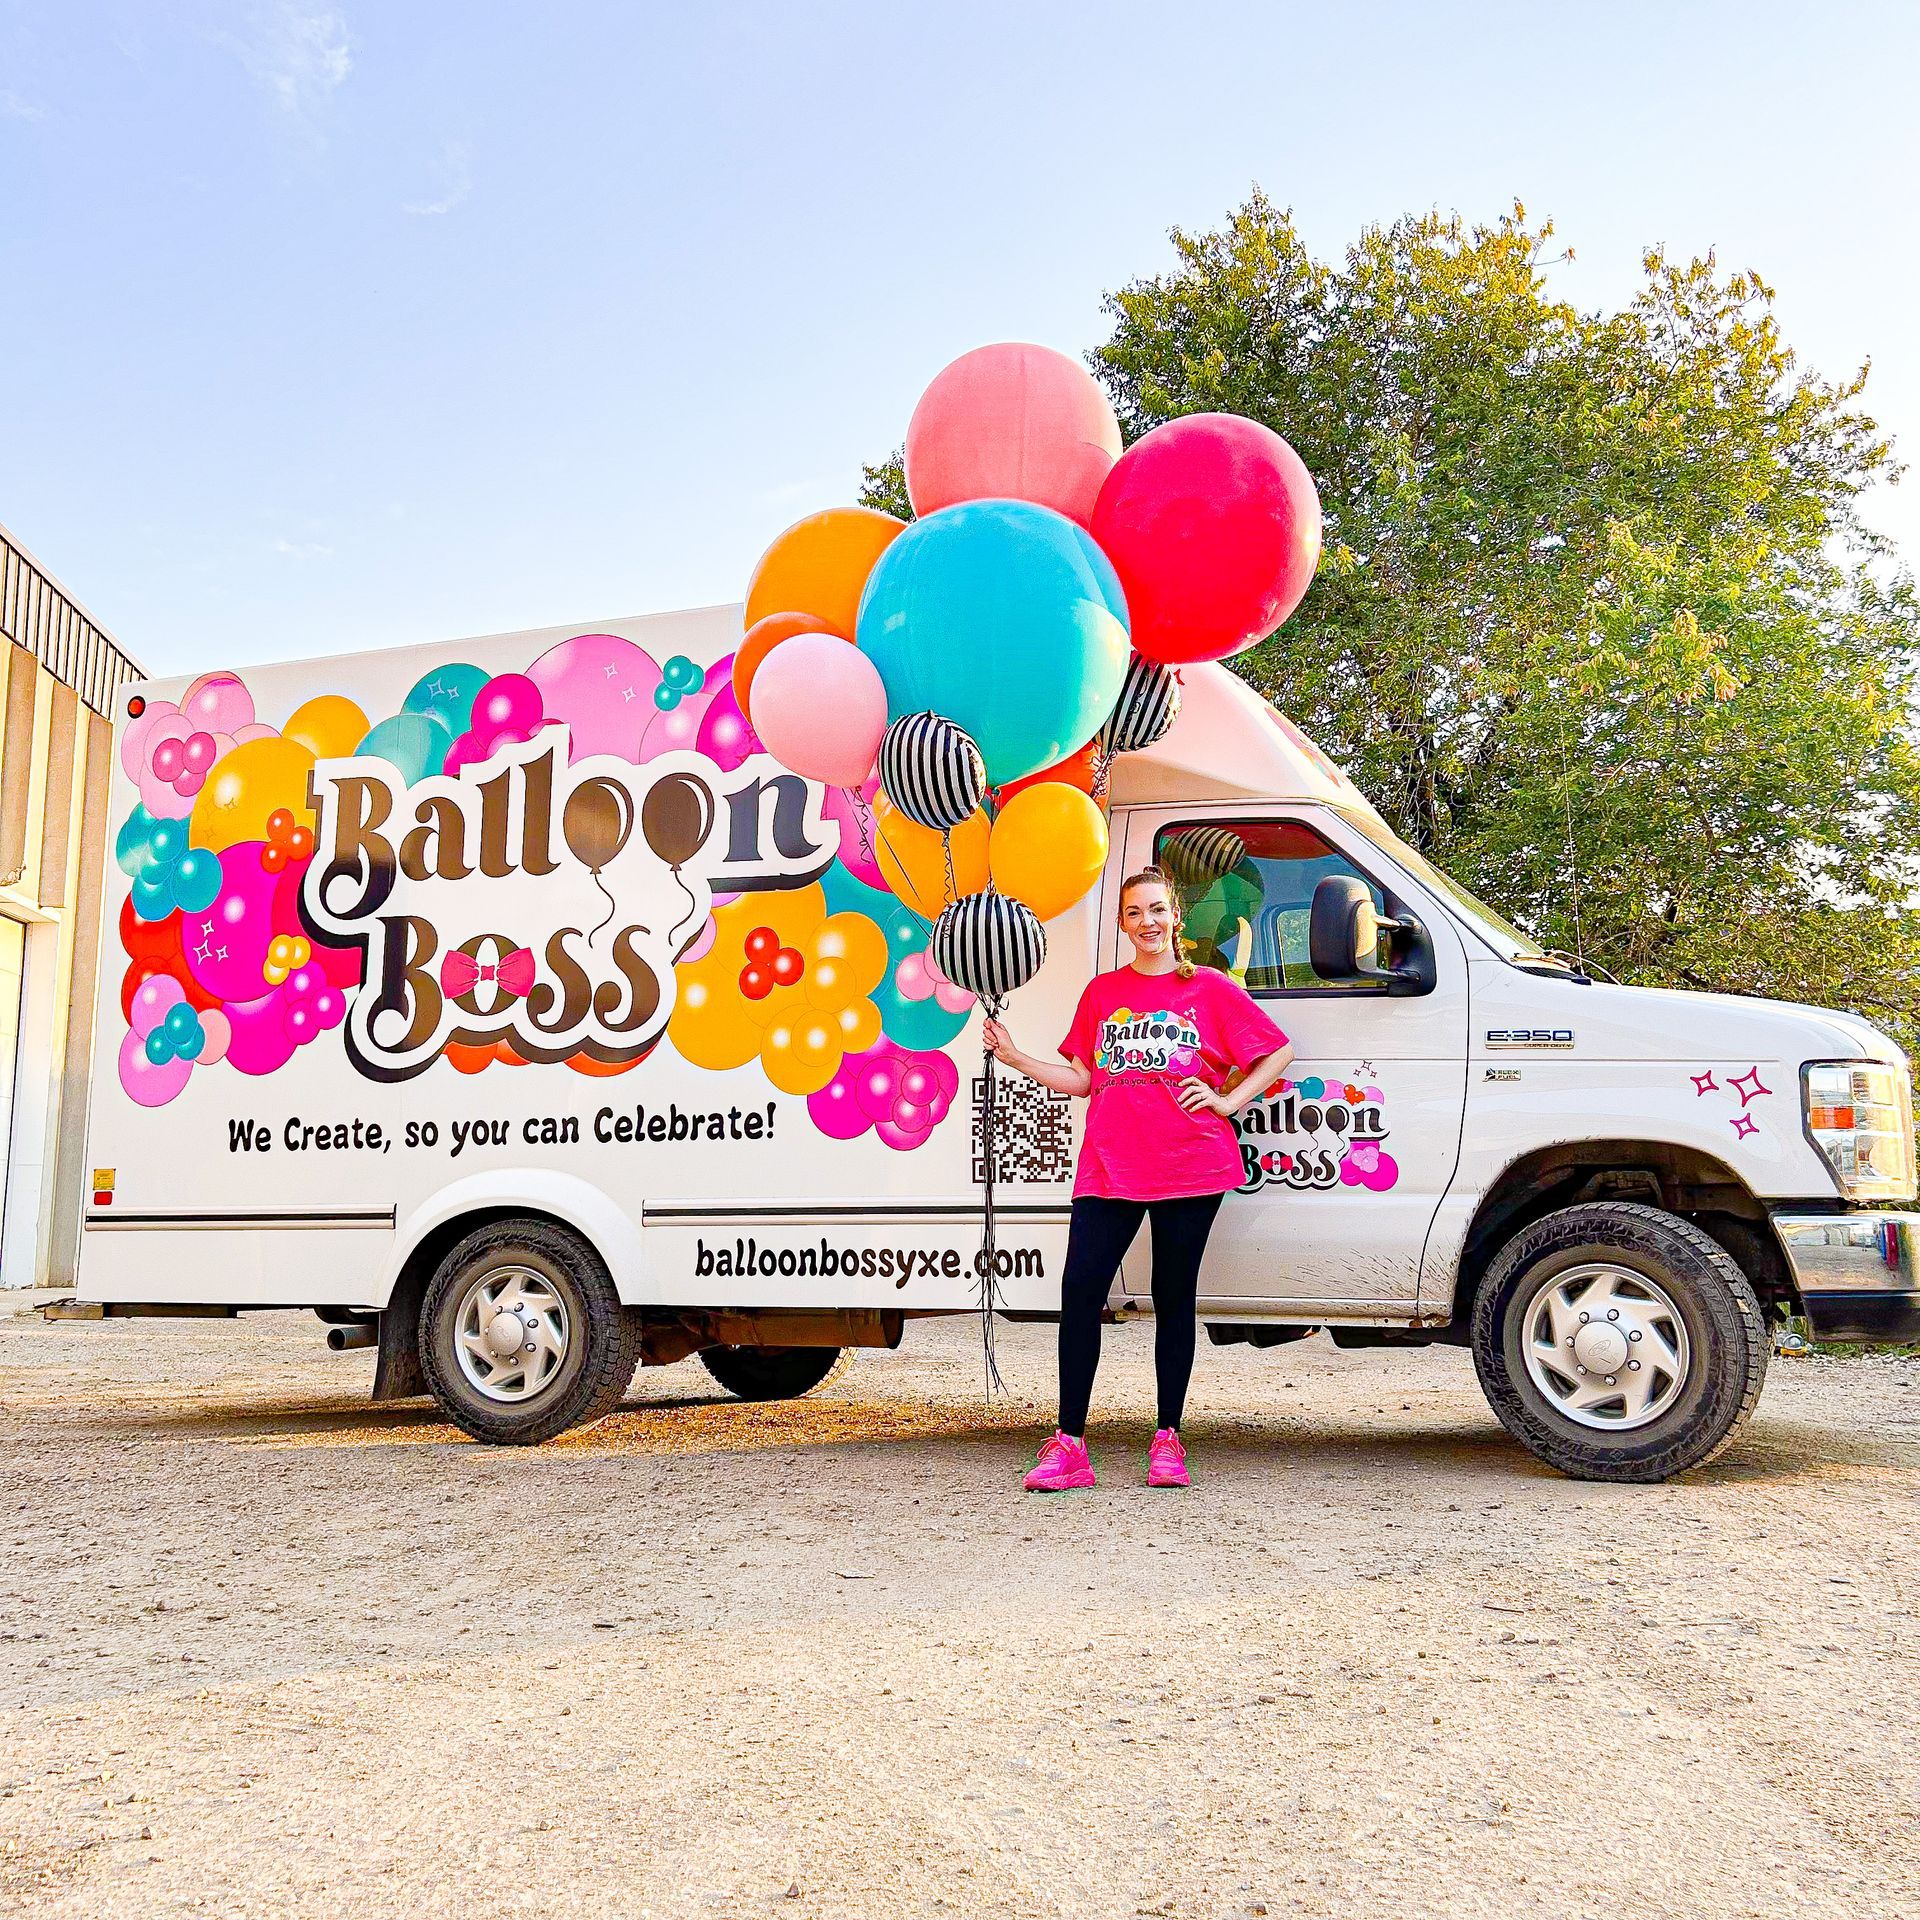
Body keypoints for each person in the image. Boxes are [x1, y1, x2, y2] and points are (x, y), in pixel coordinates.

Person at [984, 864, 1293, 1492]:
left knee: (1173, 1297)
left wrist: (1229, 1101)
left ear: (1176, 917)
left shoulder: (1208, 988)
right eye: (1134, 913)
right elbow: (1082, 1080)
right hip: (1109, 1163)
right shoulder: (1102, 993)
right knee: (1080, 1292)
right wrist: (1016, 1057)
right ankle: (1070, 1445)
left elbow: (1276, 1050)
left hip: (1190, 1161)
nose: (1147, 923)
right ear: (1123, 923)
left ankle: (1168, 1441)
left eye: (1157, 910)